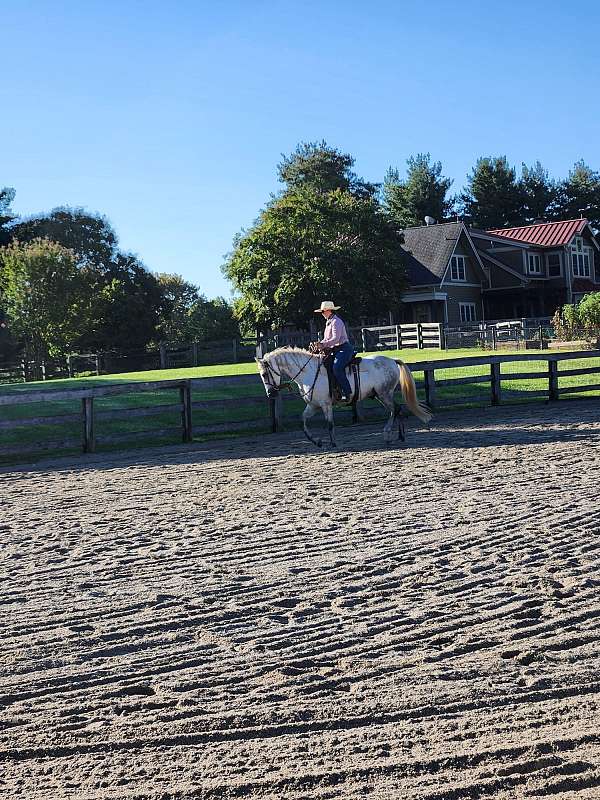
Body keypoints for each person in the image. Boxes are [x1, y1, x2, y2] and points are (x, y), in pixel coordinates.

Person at [313, 300, 355, 403]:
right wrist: (319, 344)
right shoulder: (329, 322)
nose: (322, 314)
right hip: (336, 349)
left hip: (344, 349)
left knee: (337, 368)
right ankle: (334, 390)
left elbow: (336, 339)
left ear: (328, 310)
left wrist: (323, 345)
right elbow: (327, 339)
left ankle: (348, 392)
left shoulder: (336, 322)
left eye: (322, 311)